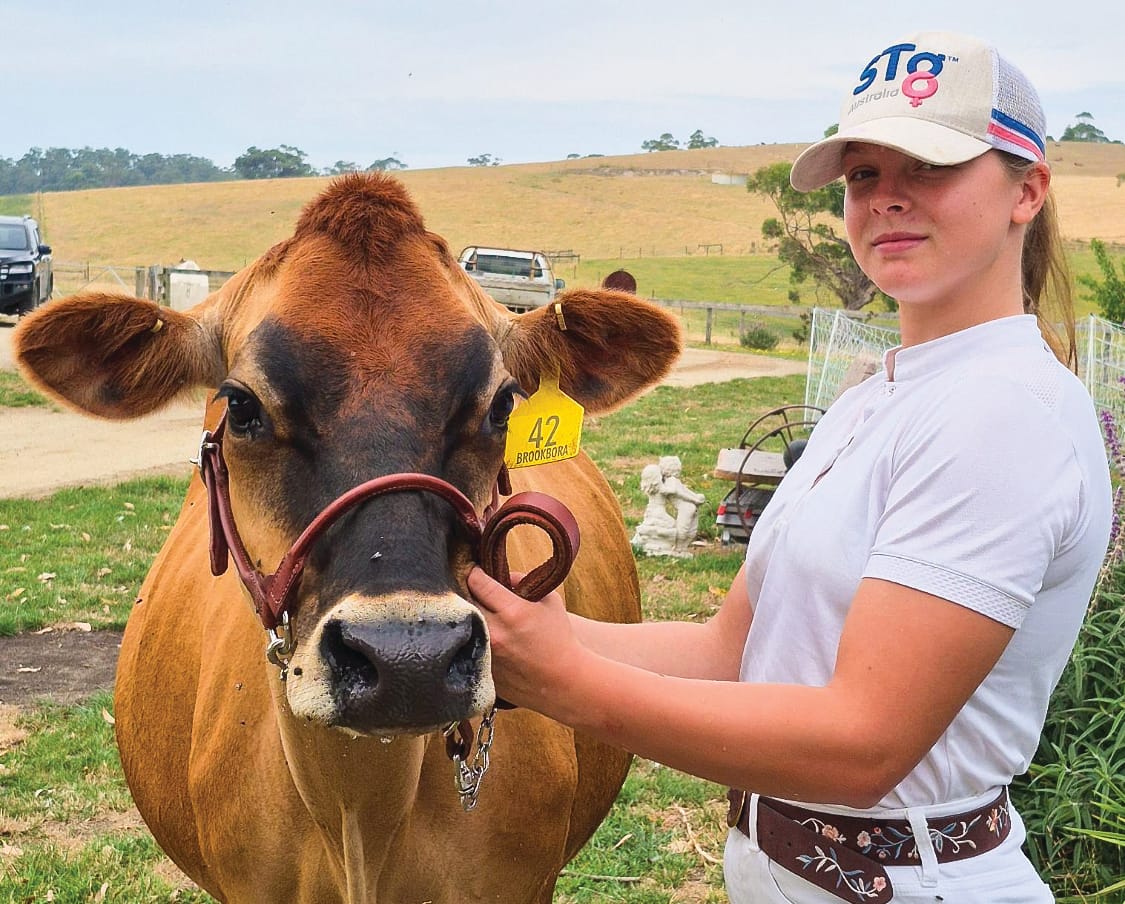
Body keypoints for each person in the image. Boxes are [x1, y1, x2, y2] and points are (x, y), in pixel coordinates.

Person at [468, 30, 1112, 904]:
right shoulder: (878, 399)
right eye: (862, 176)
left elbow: (859, 744)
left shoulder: (1002, 413)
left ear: (1026, 190)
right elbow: (727, 649)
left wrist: (568, 683)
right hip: (806, 873)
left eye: (927, 167)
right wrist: (488, 630)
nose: (886, 199)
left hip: (907, 880)